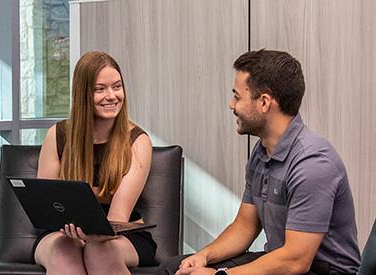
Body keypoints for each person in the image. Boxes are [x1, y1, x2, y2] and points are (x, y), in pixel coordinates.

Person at [157, 49, 360, 275]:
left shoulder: (313, 164)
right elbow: (245, 226)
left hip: (317, 270)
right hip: (280, 259)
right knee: (174, 268)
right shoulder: (262, 151)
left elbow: (296, 260)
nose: (231, 104)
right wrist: (203, 256)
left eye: (237, 96)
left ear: (264, 102)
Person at [34, 51, 157, 274]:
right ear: (83, 94)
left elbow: (117, 217)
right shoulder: (57, 135)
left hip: (121, 233)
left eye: (117, 87)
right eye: (100, 89)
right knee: (65, 252)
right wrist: (71, 232)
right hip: (62, 231)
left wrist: (87, 238)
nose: (111, 96)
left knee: (98, 251)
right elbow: (45, 206)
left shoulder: (138, 142)